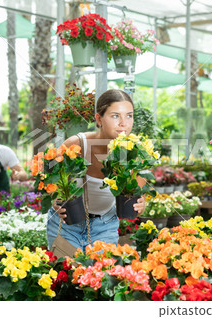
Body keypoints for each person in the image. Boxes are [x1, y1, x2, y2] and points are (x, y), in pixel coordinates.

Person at [47, 89, 146, 251]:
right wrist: (55, 199)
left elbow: (139, 195)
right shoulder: (77, 144)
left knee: (100, 276)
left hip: (104, 227)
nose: (124, 123)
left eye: (129, 115)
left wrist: (142, 205)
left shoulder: (135, 154)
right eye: (115, 116)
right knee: (65, 274)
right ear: (99, 119)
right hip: (66, 225)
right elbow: (51, 183)